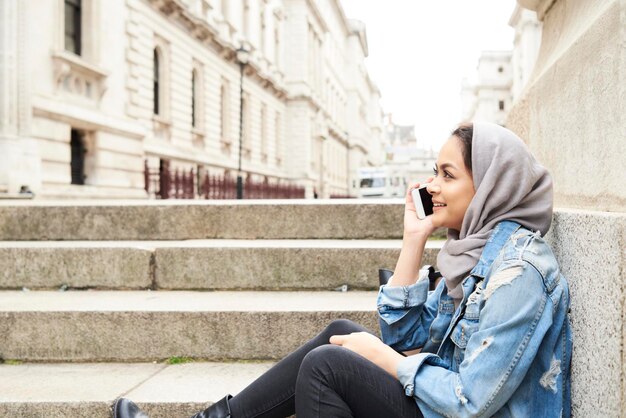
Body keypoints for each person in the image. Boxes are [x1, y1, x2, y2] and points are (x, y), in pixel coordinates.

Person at [114, 122, 572, 418]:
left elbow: (471, 402)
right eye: (434, 172)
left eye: (448, 175)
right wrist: (413, 241)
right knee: (340, 332)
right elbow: (403, 336)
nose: (432, 186)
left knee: (328, 366)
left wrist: (386, 361)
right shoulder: (470, 254)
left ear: (493, 186)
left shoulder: (519, 273)